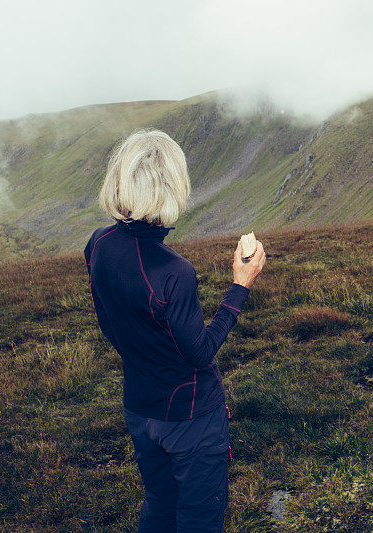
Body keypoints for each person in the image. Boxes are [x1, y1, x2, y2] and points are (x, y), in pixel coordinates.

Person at [83, 128, 266, 532]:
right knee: (199, 518)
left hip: (139, 407)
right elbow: (200, 353)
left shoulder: (98, 244)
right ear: (171, 187)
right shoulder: (173, 272)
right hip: (192, 417)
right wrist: (240, 285)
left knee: (159, 504)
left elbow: (110, 325)